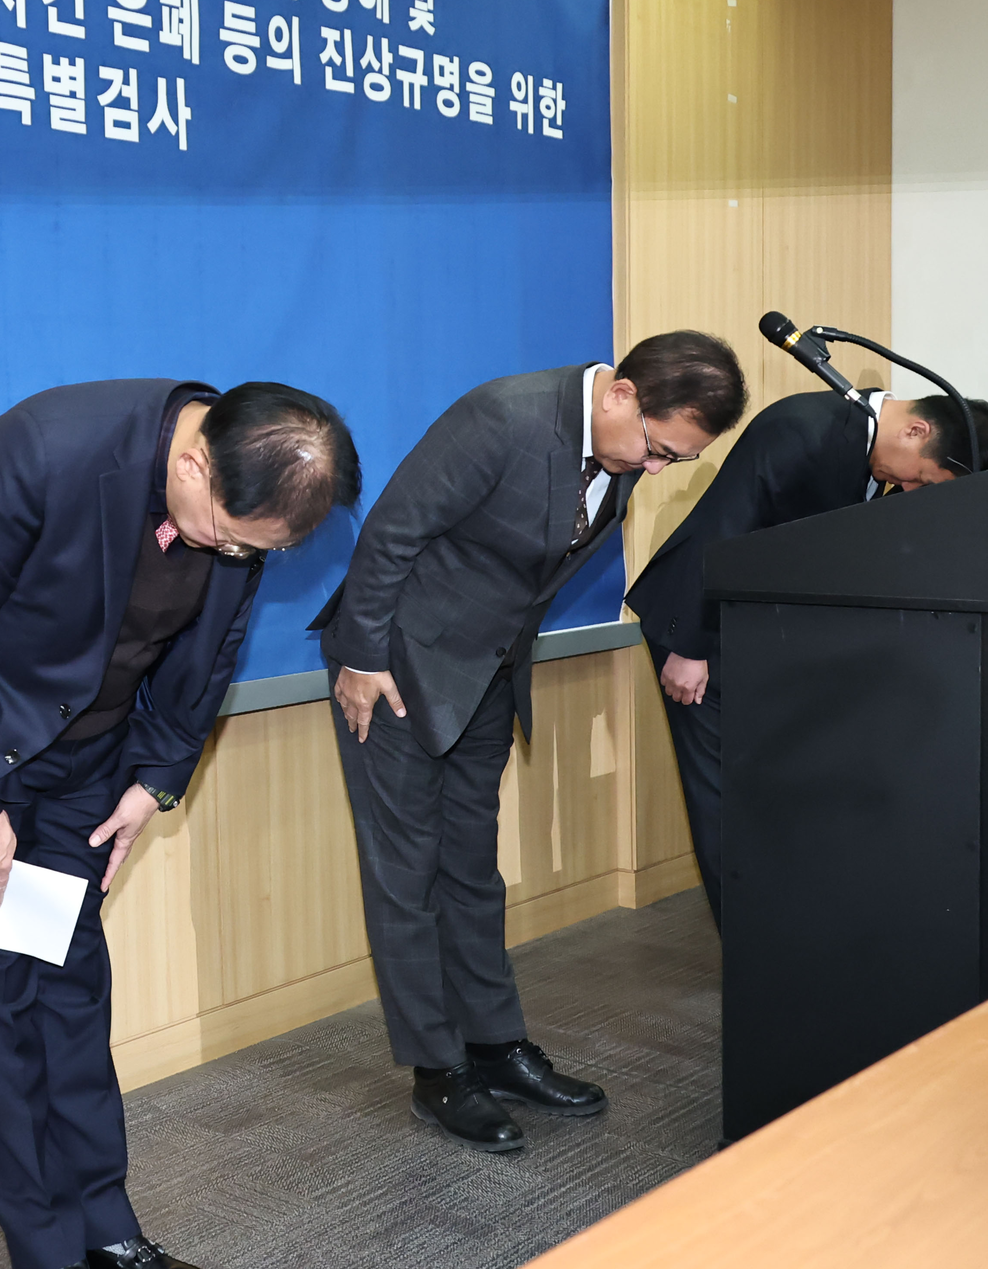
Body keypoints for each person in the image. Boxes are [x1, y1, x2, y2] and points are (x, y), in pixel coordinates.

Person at [0, 378, 359, 1269]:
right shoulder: (46, 446)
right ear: (194, 461)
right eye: (225, 534)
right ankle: (44, 1248)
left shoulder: (246, 498)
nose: (229, 554)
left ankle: (107, 1229)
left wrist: (154, 780)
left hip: (92, 765)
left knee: (72, 985)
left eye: (252, 548)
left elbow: (215, 647)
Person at [310, 332, 748, 1154]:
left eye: (676, 462)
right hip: (397, 665)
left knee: (473, 867)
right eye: (659, 449)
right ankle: (438, 1070)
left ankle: (495, 1044)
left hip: (482, 672)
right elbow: (391, 535)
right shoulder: (503, 418)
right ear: (620, 393)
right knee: (406, 873)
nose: (656, 470)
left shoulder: (616, 458)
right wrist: (363, 656)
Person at [625, 387, 988, 930]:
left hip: (767, 633)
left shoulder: (873, 453)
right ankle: (749, 950)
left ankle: (791, 935)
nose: (911, 490)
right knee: (723, 794)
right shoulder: (802, 426)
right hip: (702, 627)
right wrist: (689, 648)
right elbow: (722, 531)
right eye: (923, 479)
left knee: (781, 791)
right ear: (916, 431)